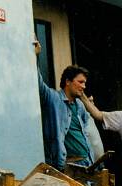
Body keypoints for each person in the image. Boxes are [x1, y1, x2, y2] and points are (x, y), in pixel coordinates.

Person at [34, 40, 94, 170]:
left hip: (87, 163)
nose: (84, 86)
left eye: (85, 83)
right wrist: (35, 57)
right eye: (80, 82)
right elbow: (38, 84)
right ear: (68, 81)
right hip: (67, 166)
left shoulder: (80, 105)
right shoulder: (53, 98)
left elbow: (84, 128)